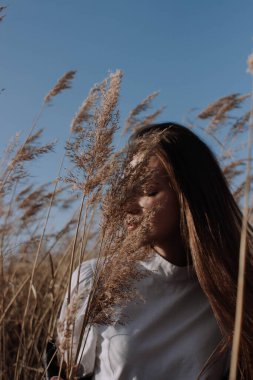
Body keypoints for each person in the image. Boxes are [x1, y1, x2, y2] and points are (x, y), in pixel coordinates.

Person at [51, 122, 253, 380]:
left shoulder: (231, 291)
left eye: (147, 190)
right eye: (126, 190)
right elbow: (70, 370)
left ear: (189, 195)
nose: (126, 205)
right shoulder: (94, 278)